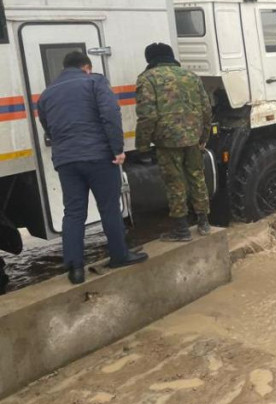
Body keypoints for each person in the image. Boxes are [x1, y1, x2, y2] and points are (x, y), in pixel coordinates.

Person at [37, 51, 147, 284]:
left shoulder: (47, 94)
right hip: (98, 157)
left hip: (66, 160)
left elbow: (47, 125)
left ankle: (75, 269)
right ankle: (119, 255)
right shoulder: (95, 81)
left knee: (74, 212)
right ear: (86, 67)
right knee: (109, 207)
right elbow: (110, 115)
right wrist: (117, 148)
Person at [135, 42, 212, 242]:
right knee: (197, 177)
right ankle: (203, 222)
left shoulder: (147, 79)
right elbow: (206, 109)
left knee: (175, 183)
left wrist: (142, 146)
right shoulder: (191, 76)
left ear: (150, 59)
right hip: (193, 138)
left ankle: (181, 229)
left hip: (167, 141)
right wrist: (203, 137)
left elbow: (147, 116)